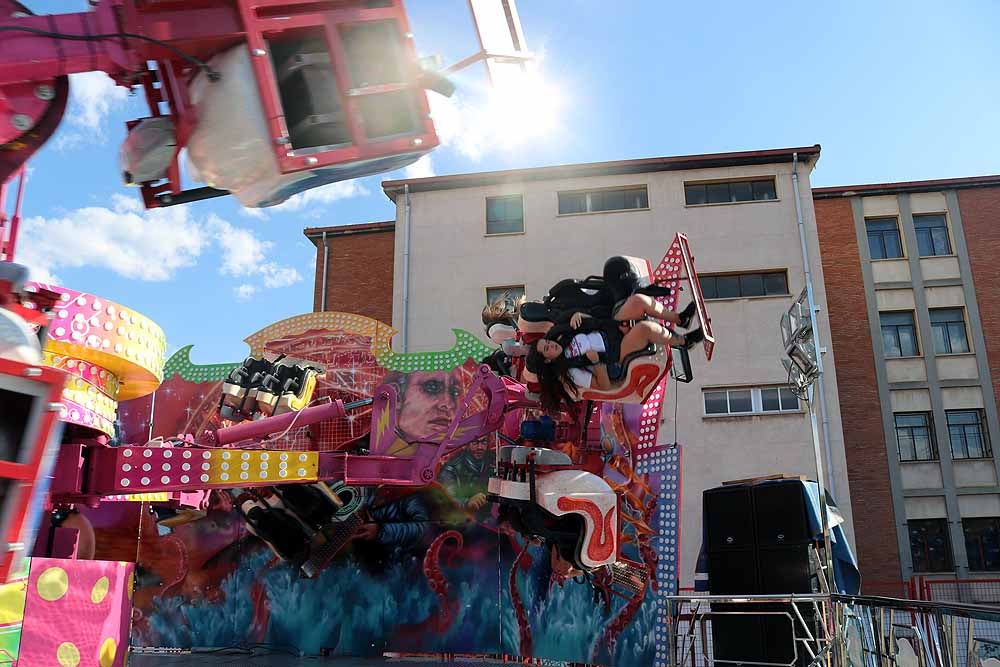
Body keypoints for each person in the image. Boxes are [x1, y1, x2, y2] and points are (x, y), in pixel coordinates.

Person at [526, 294, 703, 412]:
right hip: (614, 358)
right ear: (547, 361)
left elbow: (592, 324)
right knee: (644, 329)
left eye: (548, 342)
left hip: (611, 333)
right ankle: (685, 342)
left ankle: (680, 319)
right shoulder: (570, 373)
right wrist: (596, 363)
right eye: (547, 349)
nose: (551, 345)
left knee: (637, 300)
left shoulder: (563, 336)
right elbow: (604, 387)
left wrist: (580, 316)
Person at [438, 437, 495, 514]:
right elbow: (445, 501)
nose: (480, 447)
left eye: (484, 442)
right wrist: (466, 503)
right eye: (475, 442)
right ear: (466, 444)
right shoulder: (451, 468)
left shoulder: (493, 460)